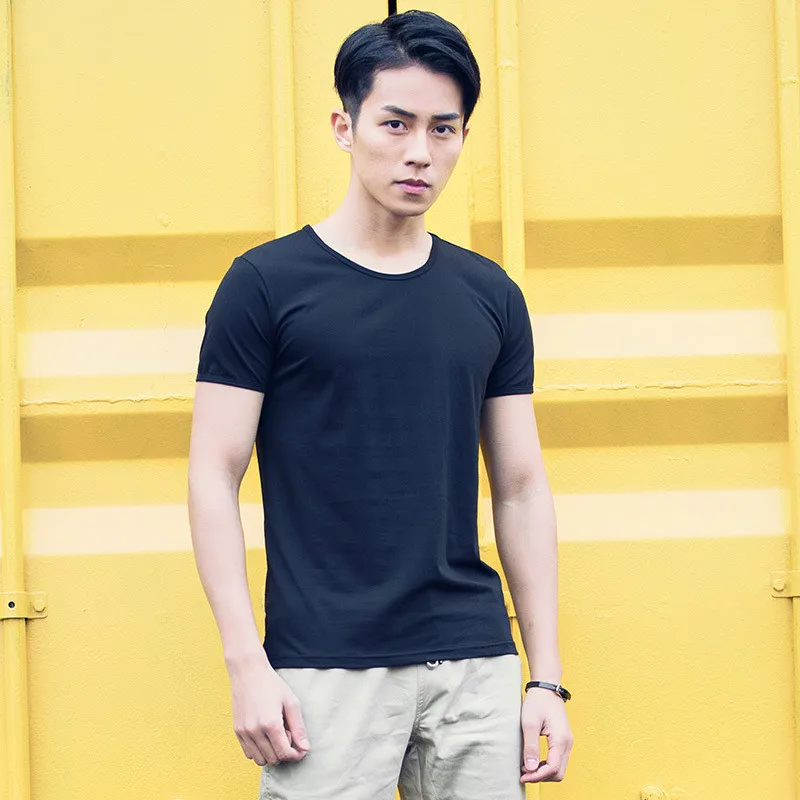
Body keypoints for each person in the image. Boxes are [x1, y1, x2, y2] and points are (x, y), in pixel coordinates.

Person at [188, 9, 572, 799]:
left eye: (443, 129)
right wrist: (246, 664)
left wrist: (546, 678)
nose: (419, 151)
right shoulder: (265, 285)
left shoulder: (489, 294)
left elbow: (522, 487)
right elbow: (212, 477)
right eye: (395, 123)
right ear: (345, 126)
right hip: (325, 671)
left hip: (473, 663)